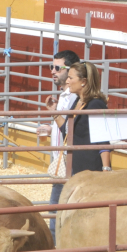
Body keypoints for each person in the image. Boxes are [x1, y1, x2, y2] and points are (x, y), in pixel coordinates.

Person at [37, 49, 80, 238]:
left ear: (70, 70)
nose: (52, 71)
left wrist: (54, 115)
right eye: (51, 67)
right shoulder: (64, 96)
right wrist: (51, 129)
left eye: (57, 68)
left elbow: (72, 130)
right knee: (57, 214)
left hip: (69, 165)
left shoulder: (75, 98)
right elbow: (65, 127)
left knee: (57, 215)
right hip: (61, 163)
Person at [63, 61, 112, 176]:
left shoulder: (95, 104)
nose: (67, 81)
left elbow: (103, 141)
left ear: (83, 82)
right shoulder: (78, 101)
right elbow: (67, 131)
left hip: (90, 170)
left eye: (70, 78)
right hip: (76, 166)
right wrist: (54, 113)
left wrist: (106, 170)